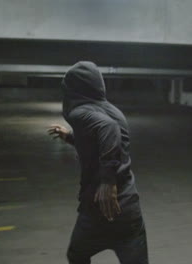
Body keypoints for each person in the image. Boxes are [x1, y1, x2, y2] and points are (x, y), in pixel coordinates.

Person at [48, 61, 148, 264]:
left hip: (98, 209)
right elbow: (100, 140)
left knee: (77, 255)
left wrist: (107, 181)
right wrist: (70, 137)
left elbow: (108, 128)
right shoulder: (113, 110)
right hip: (129, 208)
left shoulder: (79, 113)